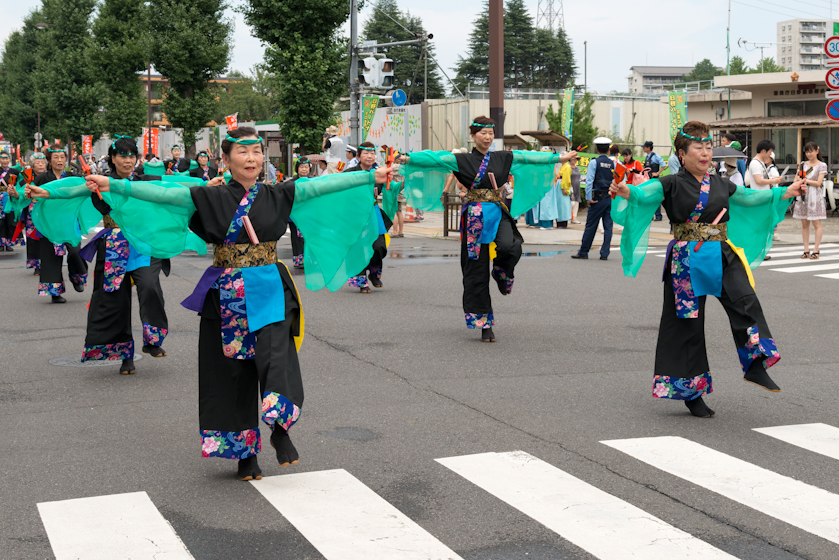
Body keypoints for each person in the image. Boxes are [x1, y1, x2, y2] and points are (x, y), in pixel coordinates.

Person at [37, 126, 389, 479]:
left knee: (276, 355)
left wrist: (371, 177)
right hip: (227, 292)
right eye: (243, 152)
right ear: (226, 159)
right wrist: (112, 184)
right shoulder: (208, 197)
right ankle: (245, 455)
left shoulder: (279, 193)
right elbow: (160, 195)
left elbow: (321, 186)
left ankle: (280, 427)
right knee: (232, 371)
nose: (251, 158)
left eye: (256, 152)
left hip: (269, 286)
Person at [612, 120, 804, 418]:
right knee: (687, 327)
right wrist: (626, 191)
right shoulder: (670, 182)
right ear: (682, 153)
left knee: (746, 300)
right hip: (686, 260)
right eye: (698, 147)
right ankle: (692, 392)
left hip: (723, 253)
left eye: (708, 147)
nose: (705, 152)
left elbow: (750, 197)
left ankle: (755, 362)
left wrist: (784, 192)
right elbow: (642, 194)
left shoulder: (721, 182)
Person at [398, 117, 576, 342]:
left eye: (491, 133)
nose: (488, 137)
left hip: (498, 211)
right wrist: (408, 158)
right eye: (483, 133)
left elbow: (529, 157)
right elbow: (435, 158)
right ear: (473, 136)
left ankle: (502, 272)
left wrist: (559, 157)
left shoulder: (503, 157)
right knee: (477, 269)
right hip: (474, 218)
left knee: (511, 246)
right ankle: (484, 323)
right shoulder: (461, 160)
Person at [28, 136, 172, 375]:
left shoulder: (145, 180)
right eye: (123, 156)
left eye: (131, 156)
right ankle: (126, 356)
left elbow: (175, 187)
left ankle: (153, 338)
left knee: (149, 285)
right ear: (113, 158)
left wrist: (207, 187)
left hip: (143, 244)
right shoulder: (100, 182)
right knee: (116, 300)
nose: (128, 160)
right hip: (114, 245)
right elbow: (73, 190)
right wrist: (46, 194)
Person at [33, 144, 89, 303]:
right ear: (49, 160)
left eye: (62, 157)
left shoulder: (73, 177)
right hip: (50, 223)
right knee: (51, 257)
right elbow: (30, 195)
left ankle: (76, 277)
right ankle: (55, 292)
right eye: (55, 157)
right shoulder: (42, 178)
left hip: (70, 221)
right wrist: (17, 193)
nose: (59, 160)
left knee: (75, 252)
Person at [343, 142, 392, 293]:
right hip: (355, 215)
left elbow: (387, 186)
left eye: (372, 153)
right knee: (359, 247)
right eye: (366, 153)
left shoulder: (380, 172)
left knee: (379, 247)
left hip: (373, 212)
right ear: (358, 156)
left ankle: (374, 273)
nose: (370, 156)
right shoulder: (349, 173)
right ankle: (361, 280)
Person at [572, 137, 615, 261]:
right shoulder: (614, 163)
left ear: (597, 149)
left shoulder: (594, 162)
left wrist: (588, 198)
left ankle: (584, 252)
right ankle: (604, 253)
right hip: (609, 199)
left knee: (591, 225)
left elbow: (589, 181)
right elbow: (616, 181)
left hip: (597, 199)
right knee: (608, 227)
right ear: (608, 150)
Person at [792, 141, 827, 259]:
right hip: (803, 195)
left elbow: (818, 183)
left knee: (816, 222)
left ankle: (816, 249)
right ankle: (806, 249)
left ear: (817, 150)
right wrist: (800, 181)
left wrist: (804, 180)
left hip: (814, 196)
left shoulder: (822, 165)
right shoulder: (802, 164)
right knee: (804, 223)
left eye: (811, 151)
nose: (809, 154)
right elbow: (796, 179)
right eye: (807, 152)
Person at [0, 151, 21, 252]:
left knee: (10, 221)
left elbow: (25, 179)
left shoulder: (15, 171)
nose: (5, 161)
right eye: (3, 158)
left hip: (11, 199)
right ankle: (1, 244)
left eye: (7, 158)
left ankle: (9, 243)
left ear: (9, 159)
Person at [23, 152, 48, 275]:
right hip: (33, 208)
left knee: (48, 236)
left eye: (43, 162)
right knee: (33, 236)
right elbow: (20, 191)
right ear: (32, 165)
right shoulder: (26, 177)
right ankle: (36, 264)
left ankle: (48, 263)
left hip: (48, 208)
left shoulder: (50, 176)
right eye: (37, 163)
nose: (40, 165)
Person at [287, 157, 311, 268]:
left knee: (308, 237)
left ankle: (308, 259)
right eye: (301, 167)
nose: (304, 169)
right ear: (297, 168)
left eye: (306, 167)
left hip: (309, 215)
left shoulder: (314, 182)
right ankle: (298, 260)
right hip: (295, 215)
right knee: (296, 239)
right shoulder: (291, 183)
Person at [642, 141, 665, 220]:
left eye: (644, 147)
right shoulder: (647, 157)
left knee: (655, 197)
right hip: (648, 180)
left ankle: (658, 215)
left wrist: (658, 173)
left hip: (654, 180)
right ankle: (650, 215)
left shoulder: (656, 156)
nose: (643, 148)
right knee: (649, 197)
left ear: (648, 148)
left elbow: (663, 165)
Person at [562, 154, 581, 223]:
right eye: (573, 159)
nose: (575, 161)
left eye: (576, 159)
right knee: (571, 202)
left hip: (577, 186)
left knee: (576, 201)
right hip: (570, 186)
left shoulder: (577, 168)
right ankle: (569, 217)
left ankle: (574, 217)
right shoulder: (567, 167)